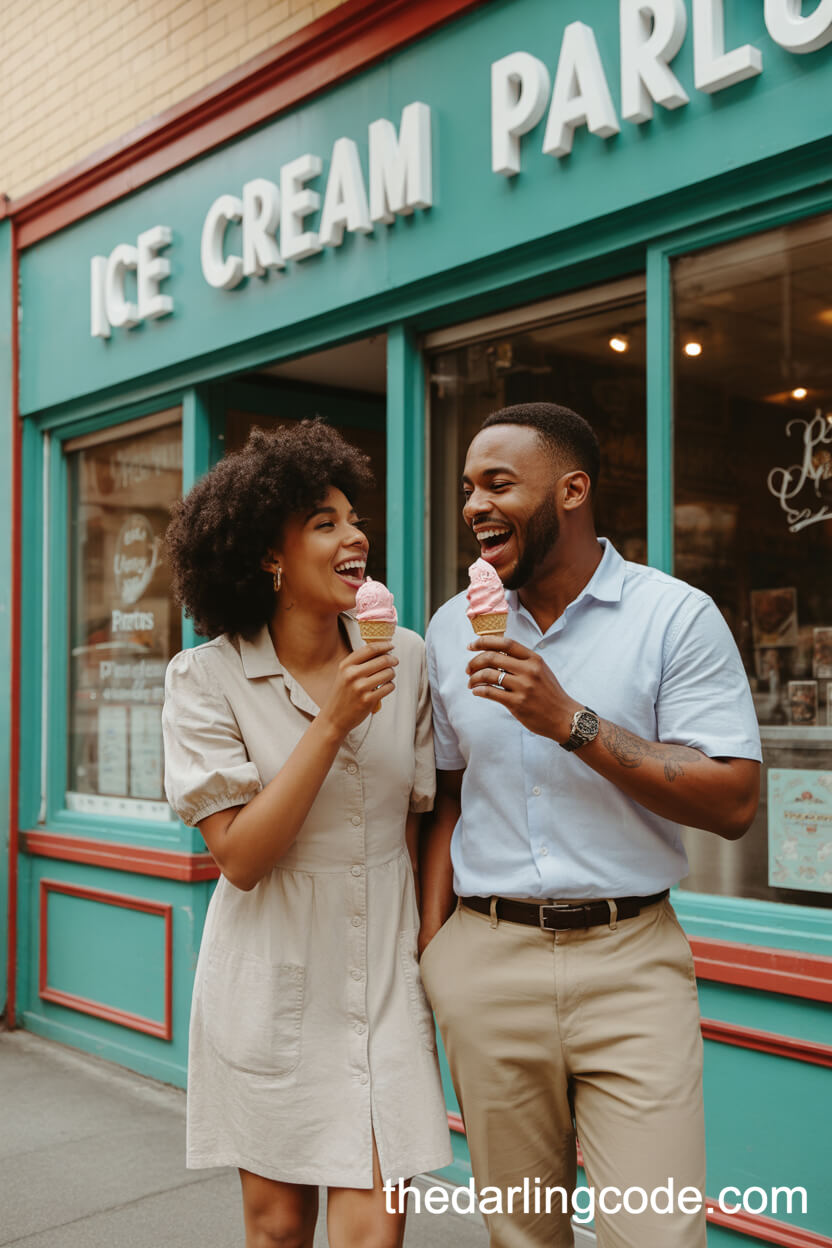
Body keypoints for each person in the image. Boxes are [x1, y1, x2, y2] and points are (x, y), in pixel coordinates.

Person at [418, 402, 761, 1248]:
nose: (474, 505)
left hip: (630, 962)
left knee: (658, 1236)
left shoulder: (674, 616)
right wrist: (435, 952)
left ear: (572, 490)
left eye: (499, 483)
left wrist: (569, 720)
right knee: (522, 1237)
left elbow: (733, 800)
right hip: (486, 959)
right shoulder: (449, 628)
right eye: (468, 488)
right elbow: (448, 795)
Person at [161, 420, 451, 1248]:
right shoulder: (205, 678)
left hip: (386, 975)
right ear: (268, 556)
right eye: (325, 522)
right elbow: (241, 858)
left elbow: (419, 821)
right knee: (281, 1226)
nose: (355, 535)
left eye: (353, 518)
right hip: (271, 971)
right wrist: (333, 720)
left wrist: (431, 944)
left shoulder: (410, 659)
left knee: (373, 1230)